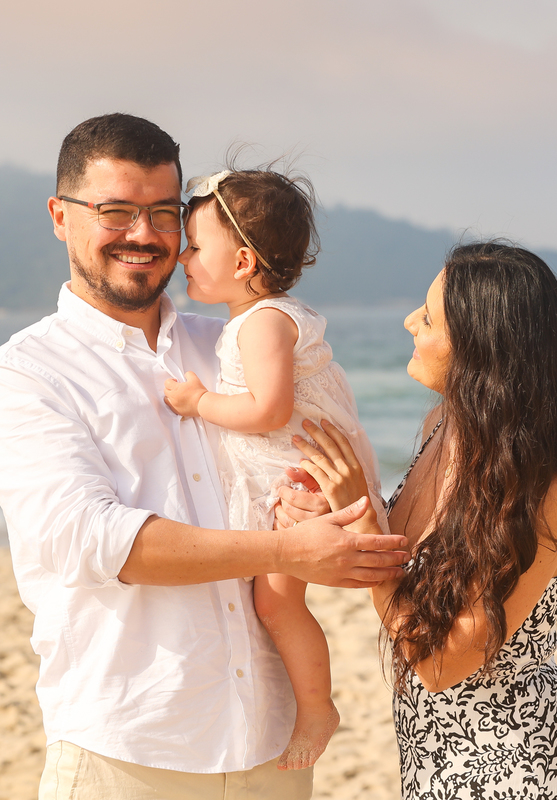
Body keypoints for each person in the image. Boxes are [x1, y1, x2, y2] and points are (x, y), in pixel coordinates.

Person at [0, 113, 408, 800]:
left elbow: (329, 482)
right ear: (61, 216)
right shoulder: (25, 374)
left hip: (271, 746)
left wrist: (323, 495)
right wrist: (285, 553)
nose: (145, 235)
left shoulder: (240, 342)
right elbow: (100, 543)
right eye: (116, 212)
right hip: (132, 748)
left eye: (163, 213)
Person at [279, 242, 557, 798]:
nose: (409, 320)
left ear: (482, 349)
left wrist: (365, 519)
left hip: (517, 770)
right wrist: (336, 512)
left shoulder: (543, 490)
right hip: (438, 763)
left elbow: (440, 666)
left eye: (430, 316)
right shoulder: (444, 425)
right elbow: (412, 568)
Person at [162, 167, 388, 771]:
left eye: (195, 244)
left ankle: (317, 707)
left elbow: (270, 409)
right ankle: (314, 704)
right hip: (291, 472)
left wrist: (198, 403)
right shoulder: (256, 319)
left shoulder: (263, 322)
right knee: (275, 602)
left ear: (241, 262)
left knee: (277, 605)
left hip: (296, 478)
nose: (183, 255)